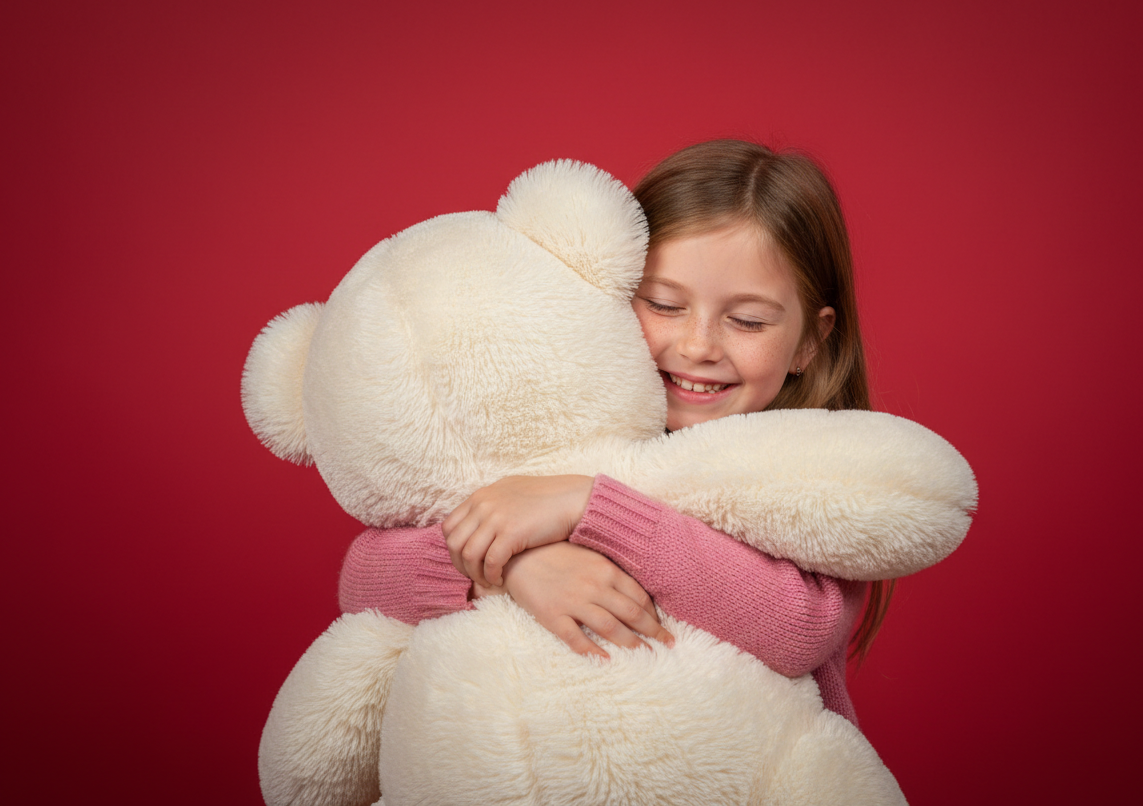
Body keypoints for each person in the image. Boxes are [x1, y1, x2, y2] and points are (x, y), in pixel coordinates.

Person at [337, 139, 889, 728]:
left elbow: (796, 627)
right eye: (663, 305)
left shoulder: (813, 471)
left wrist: (589, 506)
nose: (698, 345)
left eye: (746, 320)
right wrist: (517, 568)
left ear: (810, 339)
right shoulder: (555, 430)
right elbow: (363, 581)